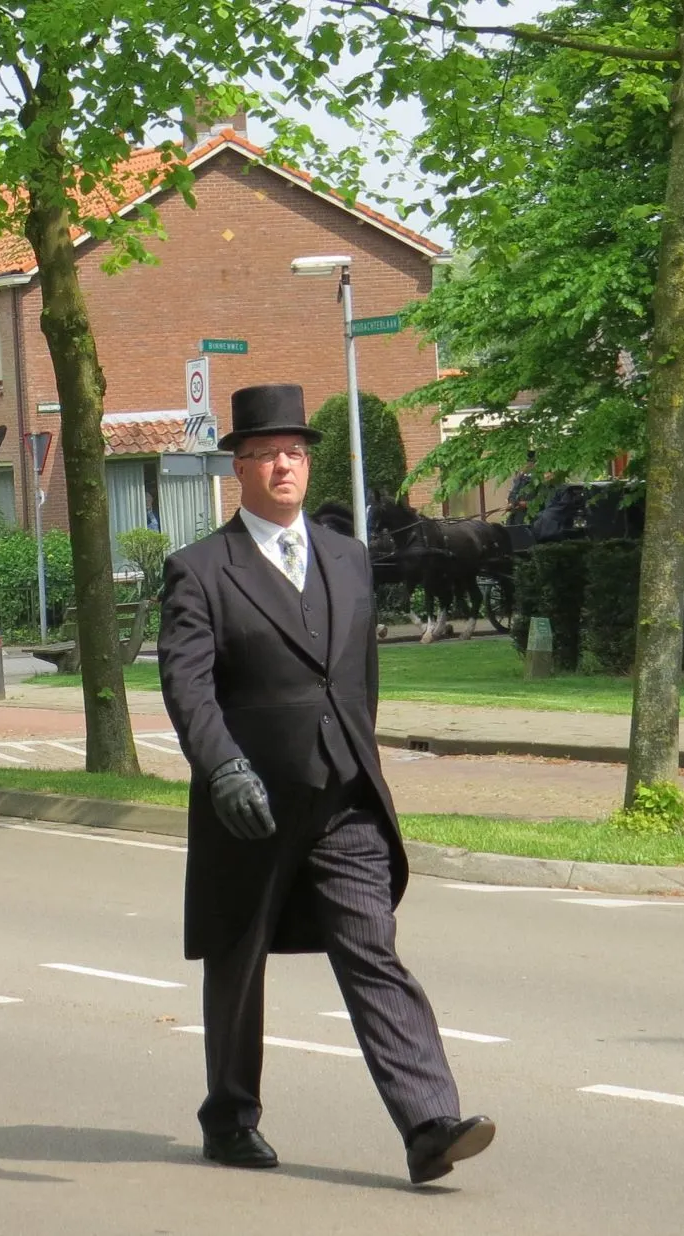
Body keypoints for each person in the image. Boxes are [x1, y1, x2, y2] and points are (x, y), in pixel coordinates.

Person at [156, 383, 494, 1185]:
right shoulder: (201, 570)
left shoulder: (348, 557)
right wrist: (225, 766)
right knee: (238, 963)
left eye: (297, 453)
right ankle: (230, 1117)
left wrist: (353, 754)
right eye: (269, 453)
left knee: (373, 949)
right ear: (238, 467)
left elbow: (360, 678)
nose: (285, 465)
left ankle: (427, 1124)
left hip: (344, 795)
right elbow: (188, 686)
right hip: (253, 803)